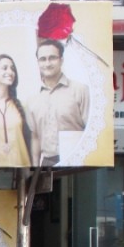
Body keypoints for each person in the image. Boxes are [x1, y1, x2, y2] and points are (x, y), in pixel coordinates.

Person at [25, 39, 90, 168]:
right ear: (38, 62)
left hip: (78, 161)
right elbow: (35, 137)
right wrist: (34, 167)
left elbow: (90, 131)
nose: (47, 63)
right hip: (48, 162)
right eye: (42, 59)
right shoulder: (32, 99)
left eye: (52, 58)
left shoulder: (80, 90)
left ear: (61, 60)